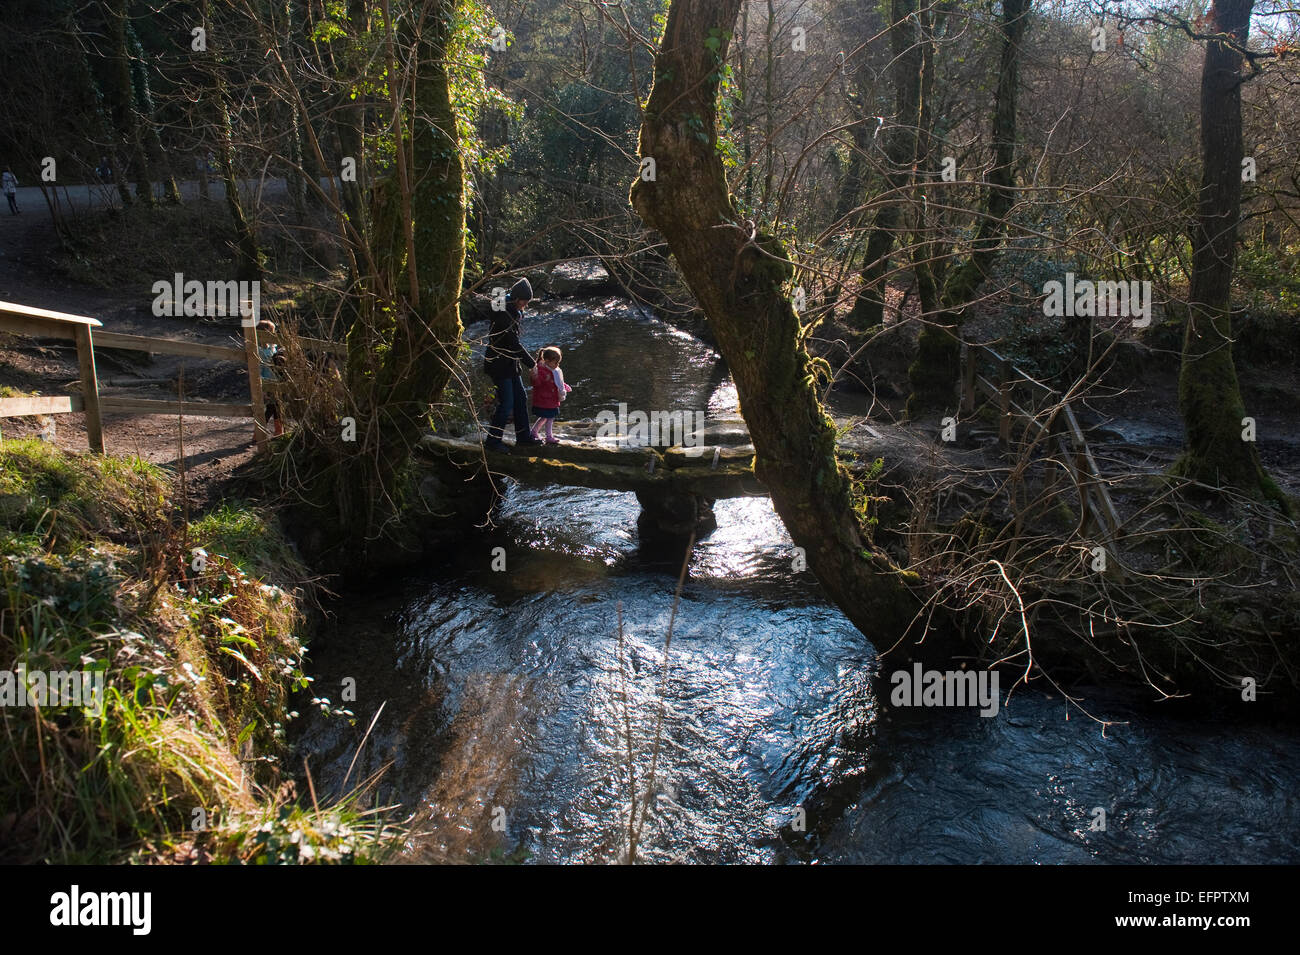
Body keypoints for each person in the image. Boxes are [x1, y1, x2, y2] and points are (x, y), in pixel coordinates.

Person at [483, 278, 542, 451]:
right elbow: (514, 345)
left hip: (509, 364)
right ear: (516, 299)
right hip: (498, 365)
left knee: (521, 398)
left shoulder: (508, 308)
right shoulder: (504, 315)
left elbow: (498, 291)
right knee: (507, 403)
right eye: (524, 301)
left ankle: (523, 437)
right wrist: (533, 364)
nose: (525, 305)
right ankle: (492, 442)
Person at [528, 346, 572, 444]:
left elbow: (558, 381)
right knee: (549, 417)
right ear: (547, 360)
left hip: (551, 399)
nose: (557, 365)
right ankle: (548, 436)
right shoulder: (541, 371)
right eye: (555, 362)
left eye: (558, 363)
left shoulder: (553, 369)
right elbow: (537, 384)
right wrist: (535, 377)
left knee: (545, 417)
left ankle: (534, 432)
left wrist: (564, 386)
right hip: (544, 399)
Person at [257, 320, 285, 437]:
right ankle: (258, 432)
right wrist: (261, 385)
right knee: (270, 407)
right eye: (271, 332)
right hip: (267, 380)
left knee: (276, 407)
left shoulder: (273, 347)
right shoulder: (259, 350)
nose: (274, 335)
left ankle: (278, 431)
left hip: (277, 381)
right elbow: (258, 368)